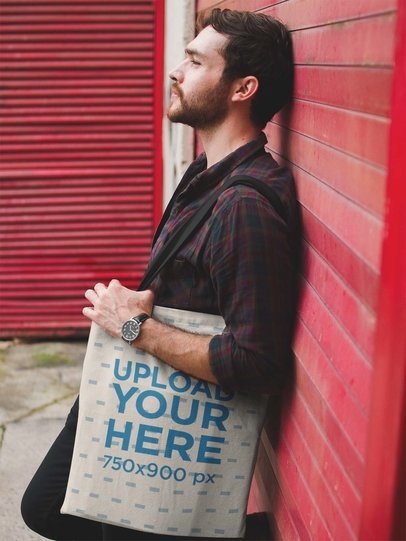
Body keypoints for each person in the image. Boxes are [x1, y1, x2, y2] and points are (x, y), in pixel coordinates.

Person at [21, 7, 299, 541]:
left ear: (243, 88)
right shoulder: (206, 174)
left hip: (172, 430)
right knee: (46, 506)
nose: (176, 70)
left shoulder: (245, 205)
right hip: (146, 407)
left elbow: (257, 361)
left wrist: (135, 328)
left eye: (195, 62)